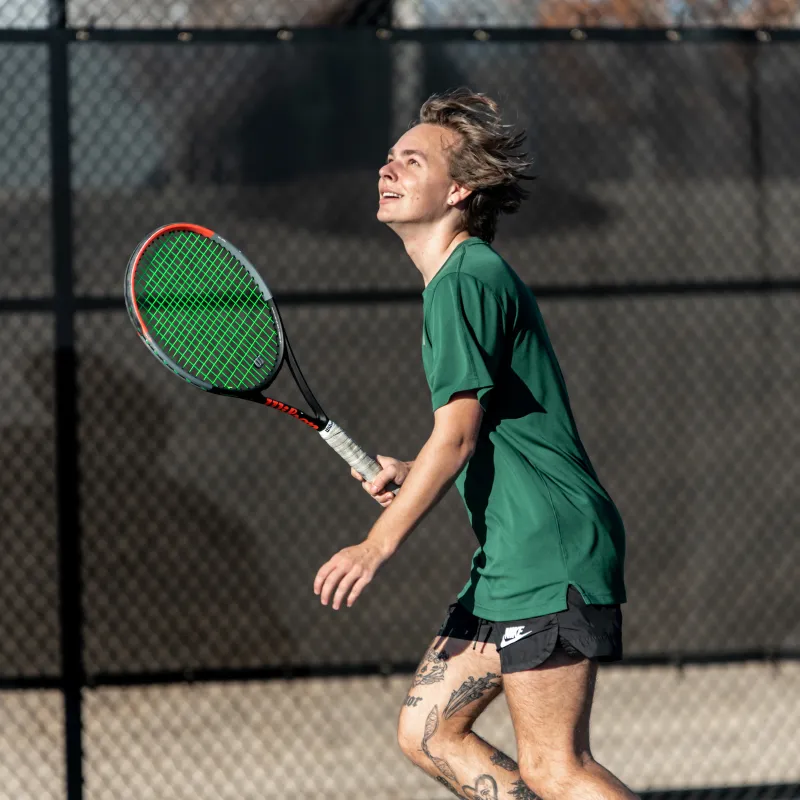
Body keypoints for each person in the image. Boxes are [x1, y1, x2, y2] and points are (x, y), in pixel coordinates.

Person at [313, 88, 635, 800]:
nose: (386, 170)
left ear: (459, 188)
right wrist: (410, 467)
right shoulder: (460, 281)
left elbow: (455, 437)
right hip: (512, 555)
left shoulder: (464, 279)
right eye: (388, 158)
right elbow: (469, 435)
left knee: (557, 768)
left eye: (411, 160)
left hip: (548, 552)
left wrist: (376, 544)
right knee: (429, 730)